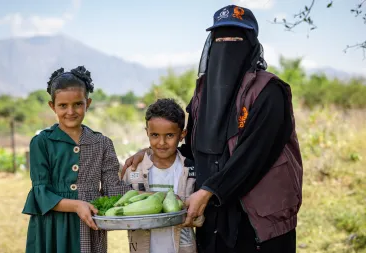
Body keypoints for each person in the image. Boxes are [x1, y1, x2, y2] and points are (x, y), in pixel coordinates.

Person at [121, 5, 303, 253]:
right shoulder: (203, 94)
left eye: (236, 39)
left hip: (258, 220)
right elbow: (192, 148)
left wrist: (209, 190)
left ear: (251, 45)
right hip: (214, 218)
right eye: (221, 39)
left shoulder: (270, 91)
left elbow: (255, 155)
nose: (227, 46)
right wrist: (150, 153)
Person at [22, 66, 132, 253]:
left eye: (78, 104)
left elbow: (113, 189)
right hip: (52, 226)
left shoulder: (102, 143)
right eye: (63, 106)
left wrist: (148, 194)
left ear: (87, 103)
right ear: (52, 106)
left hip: (88, 224)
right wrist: (76, 205)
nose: (70, 111)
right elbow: (41, 193)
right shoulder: (41, 142)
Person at [122, 98, 204, 253]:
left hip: (182, 247)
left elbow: (200, 216)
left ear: (182, 134)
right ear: (147, 132)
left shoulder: (191, 170)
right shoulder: (134, 170)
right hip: (142, 247)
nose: (161, 142)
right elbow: (122, 204)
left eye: (169, 135)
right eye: (154, 135)